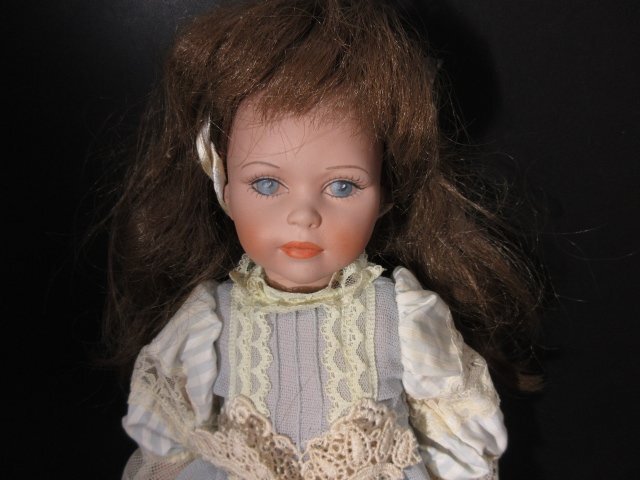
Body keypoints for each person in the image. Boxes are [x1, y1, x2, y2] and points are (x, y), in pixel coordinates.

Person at [105, 1, 541, 478]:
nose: (304, 216)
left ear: (386, 193)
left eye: (343, 187)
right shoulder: (208, 321)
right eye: (266, 183)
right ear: (223, 186)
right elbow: (166, 445)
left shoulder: (401, 317)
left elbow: (454, 443)